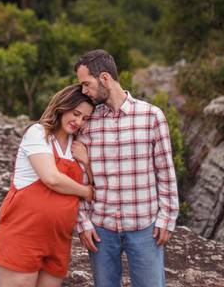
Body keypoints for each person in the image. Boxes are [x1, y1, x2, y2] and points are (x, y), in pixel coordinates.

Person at [71, 49, 179, 287]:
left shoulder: (152, 117)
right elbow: (79, 177)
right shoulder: (87, 123)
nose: (84, 91)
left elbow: (165, 171)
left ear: (105, 78)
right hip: (101, 228)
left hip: (144, 227)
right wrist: (83, 222)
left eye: (86, 84)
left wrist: (167, 218)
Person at [0, 84, 95, 287]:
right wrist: (85, 191)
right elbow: (51, 178)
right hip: (24, 234)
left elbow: (95, 183)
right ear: (62, 107)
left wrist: (87, 162)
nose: (78, 122)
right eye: (75, 114)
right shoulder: (38, 133)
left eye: (85, 118)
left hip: (59, 239)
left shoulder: (78, 146)